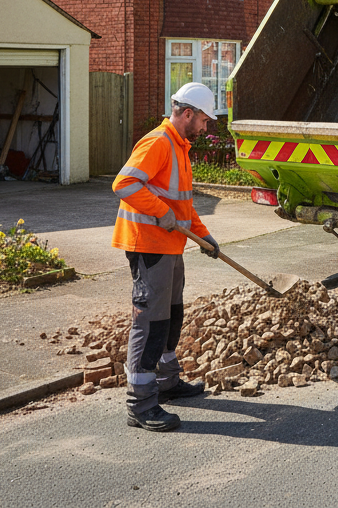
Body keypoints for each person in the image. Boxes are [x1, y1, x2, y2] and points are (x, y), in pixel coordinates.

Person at [111, 82, 222, 432]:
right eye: (204, 120)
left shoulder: (180, 147)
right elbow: (124, 184)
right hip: (149, 245)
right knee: (151, 322)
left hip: (172, 245)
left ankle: (167, 382)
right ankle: (140, 404)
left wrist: (205, 237)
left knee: (172, 315)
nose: (205, 127)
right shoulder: (158, 143)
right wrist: (160, 211)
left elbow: (183, 208)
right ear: (187, 113)